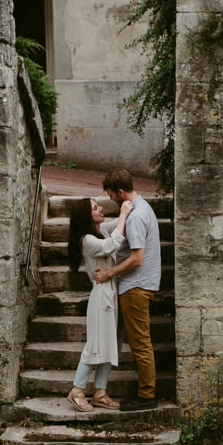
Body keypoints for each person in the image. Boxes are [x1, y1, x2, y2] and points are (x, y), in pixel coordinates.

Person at [92, 166, 160, 407]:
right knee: (139, 342)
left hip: (136, 286)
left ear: (120, 192)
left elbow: (137, 258)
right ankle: (145, 392)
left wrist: (110, 272)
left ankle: (147, 396)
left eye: (110, 194)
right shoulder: (136, 210)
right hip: (137, 285)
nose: (109, 198)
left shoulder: (136, 216)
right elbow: (107, 232)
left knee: (140, 343)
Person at [67, 197, 129, 412]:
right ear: (86, 215)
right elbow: (112, 244)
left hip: (111, 293)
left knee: (109, 344)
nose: (101, 208)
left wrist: (127, 211)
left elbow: (114, 229)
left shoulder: (99, 231)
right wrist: (122, 214)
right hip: (101, 295)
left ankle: (100, 392)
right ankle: (77, 389)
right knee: (95, 345)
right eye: (95, 207)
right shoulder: (87, 240)